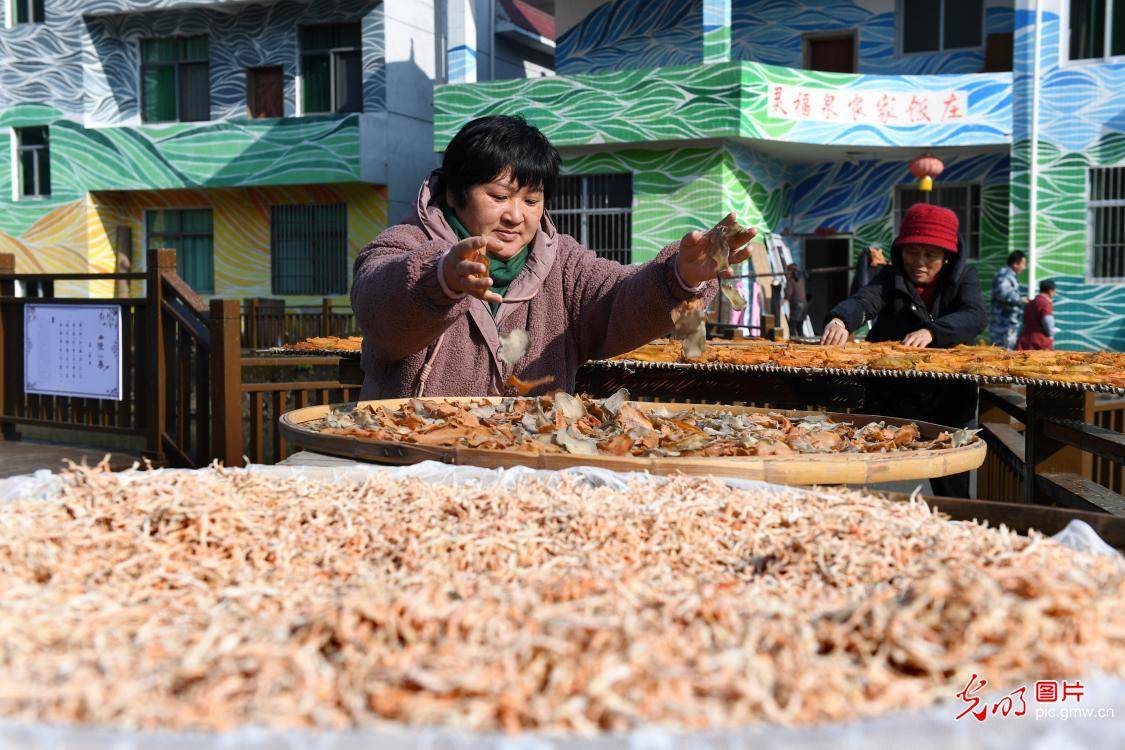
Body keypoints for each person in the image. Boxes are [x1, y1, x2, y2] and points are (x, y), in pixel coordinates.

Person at [351, 115, 756, 399]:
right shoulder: (403, 244)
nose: (515, 215)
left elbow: (618, 300)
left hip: (531, 469)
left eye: (532, 200)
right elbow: (380, 312)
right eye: (498, 196)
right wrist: (440, 279)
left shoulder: (563, 264)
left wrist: (680, 277)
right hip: (410, 462)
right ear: (454, 193)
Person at [819, 203, 988, 498]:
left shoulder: (964, 278)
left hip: (948, 400)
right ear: (900, 252)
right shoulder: (889, 277)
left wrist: (933, 331)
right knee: (865, 479)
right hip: (893, 397)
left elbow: (975, 315)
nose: (919, 262)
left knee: (951, 486)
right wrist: (841, 318)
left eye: (930, 255)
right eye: (912, 252)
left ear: (947, 257)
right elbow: (865, 300)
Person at [990, 251, 1027, 349]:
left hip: (1007, 321)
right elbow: (1002, 293)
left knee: (1006, 351)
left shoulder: (1009, 275)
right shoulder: (1004, 275)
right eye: (1023, 264)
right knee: (1002, 352)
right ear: (1015, 264)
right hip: (1003, 322)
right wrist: (1020, 299)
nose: (1024, 267)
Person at [1017, 279, 1058, 350]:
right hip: (1039, 342)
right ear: (1050, 291)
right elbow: (1048, 322)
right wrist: (1051, 334)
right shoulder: (1045, 303)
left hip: (1025, 340)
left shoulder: (1031, 302)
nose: (1055, 293)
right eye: (1054, 291)